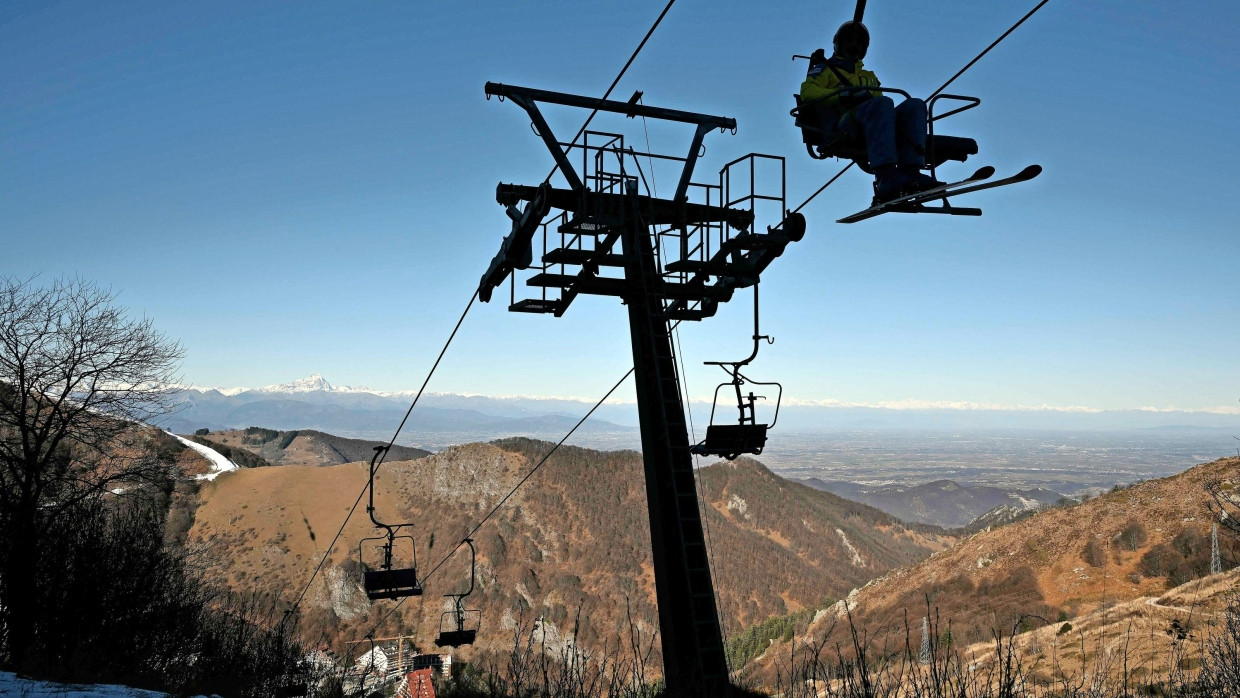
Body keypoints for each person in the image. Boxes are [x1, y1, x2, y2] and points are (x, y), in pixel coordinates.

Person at [800, 21, 942, 203]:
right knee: (882, 103)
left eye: (859, 43)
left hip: (868, 122)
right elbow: (808, 92)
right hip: (841, 126)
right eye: (849, 42)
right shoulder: (825, 69)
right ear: (839, 44)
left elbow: (881, 107)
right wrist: (842, 95)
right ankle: (886, 177)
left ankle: (911, 172)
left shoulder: (869, 76)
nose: (854, 46)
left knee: (915, 105)